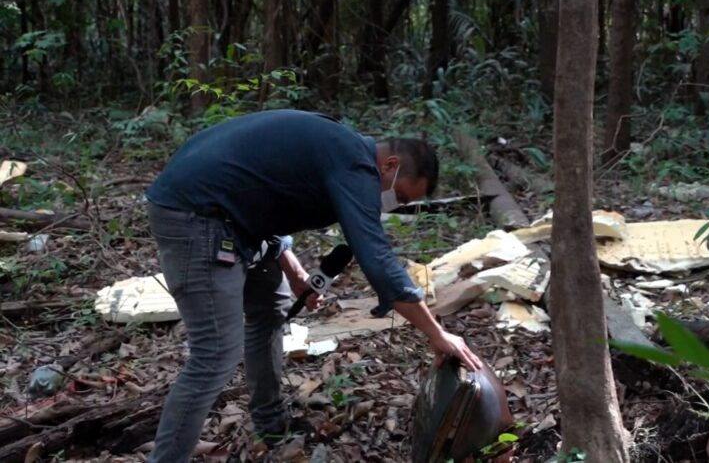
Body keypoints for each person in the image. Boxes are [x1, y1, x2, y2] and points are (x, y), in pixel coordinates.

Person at [143, 109, 482, 462]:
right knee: (214, 354)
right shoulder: (355, 164)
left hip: (234, 217)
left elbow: (266, 188)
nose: (395, 204)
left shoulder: (340, 148)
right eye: (402, 196)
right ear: (389, 164)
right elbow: (378, 261)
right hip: (197, 215)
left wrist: (291, 267)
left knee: (271, 311)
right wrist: (436, 333)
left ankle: (271, 424)